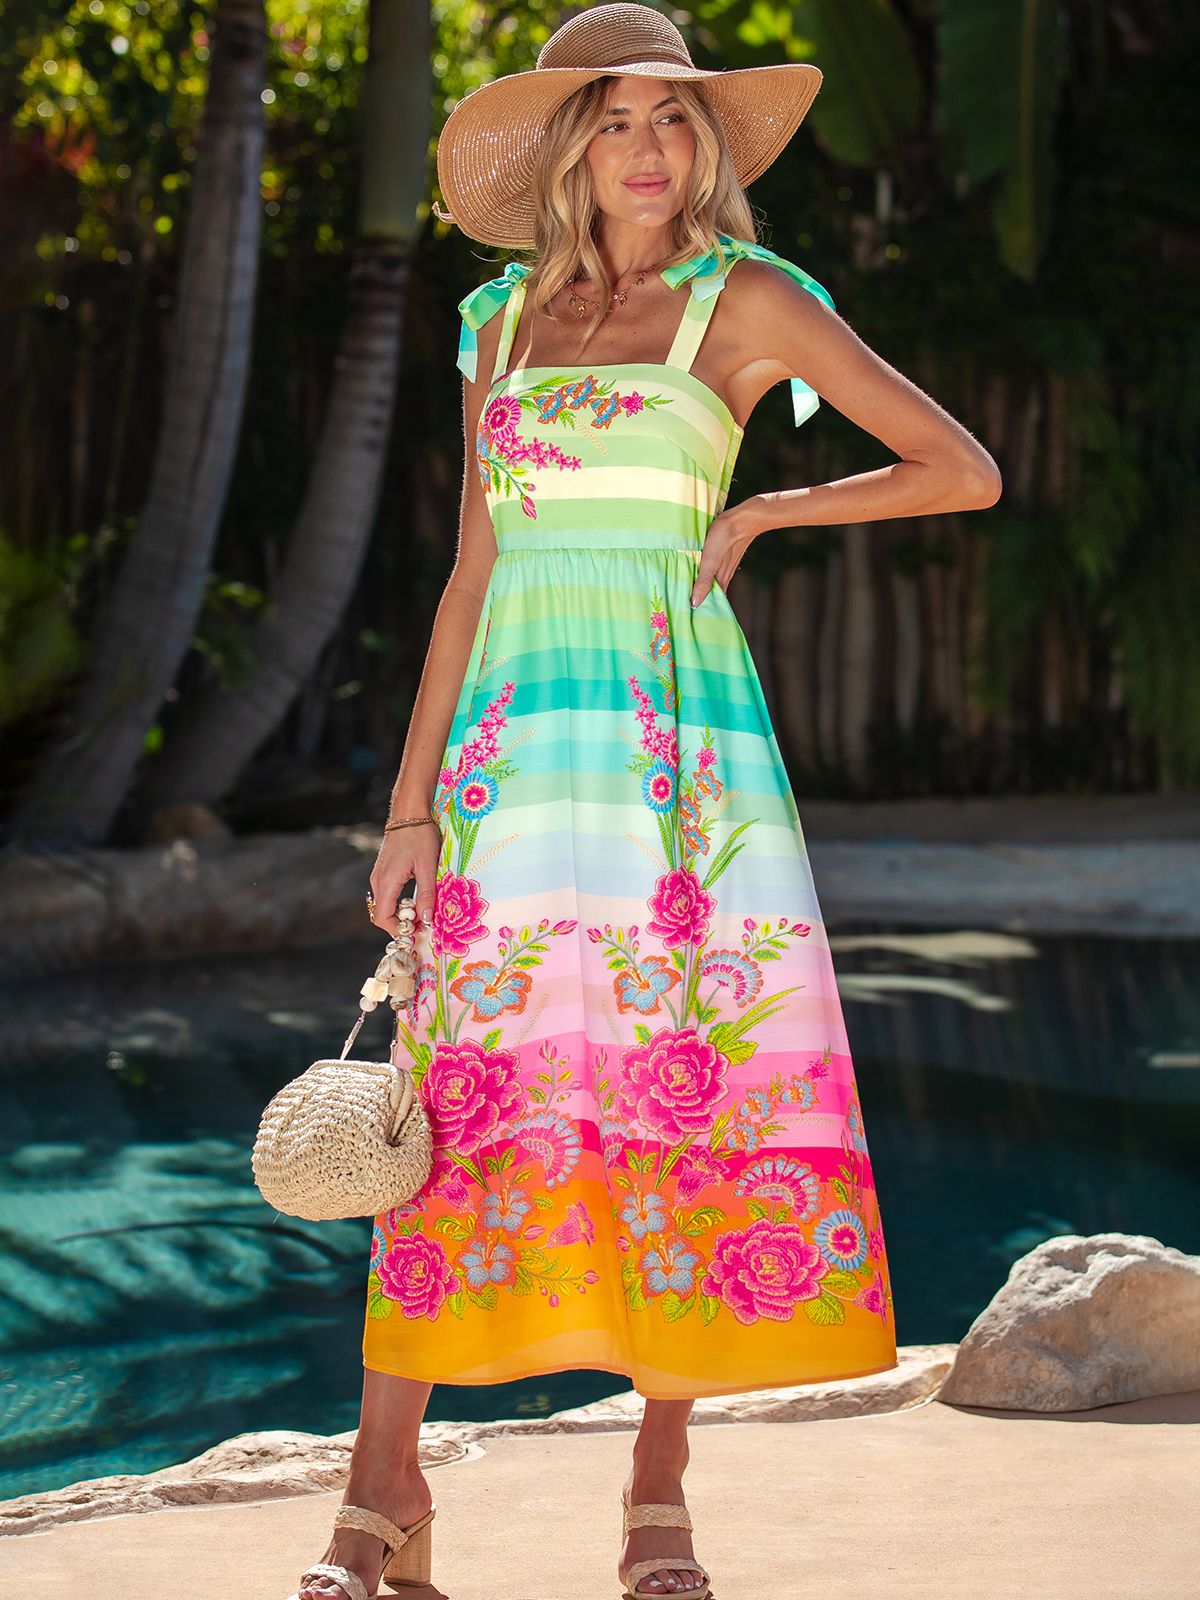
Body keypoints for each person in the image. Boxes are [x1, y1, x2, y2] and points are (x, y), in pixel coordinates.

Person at [293, 6, 1000, 1598]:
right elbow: (469, 576)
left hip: (678, 755)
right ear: (569, 147)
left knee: (678, 1088)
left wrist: (764, 511)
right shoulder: (497, 325)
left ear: (704, 148)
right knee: (455, 1106)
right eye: (614, 118)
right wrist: (407, 810)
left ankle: (657, 1489)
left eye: (674, 118)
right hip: (507, 759)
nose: (648, 147)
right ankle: (380, 1490)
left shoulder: (747, 299)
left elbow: (960, 467)